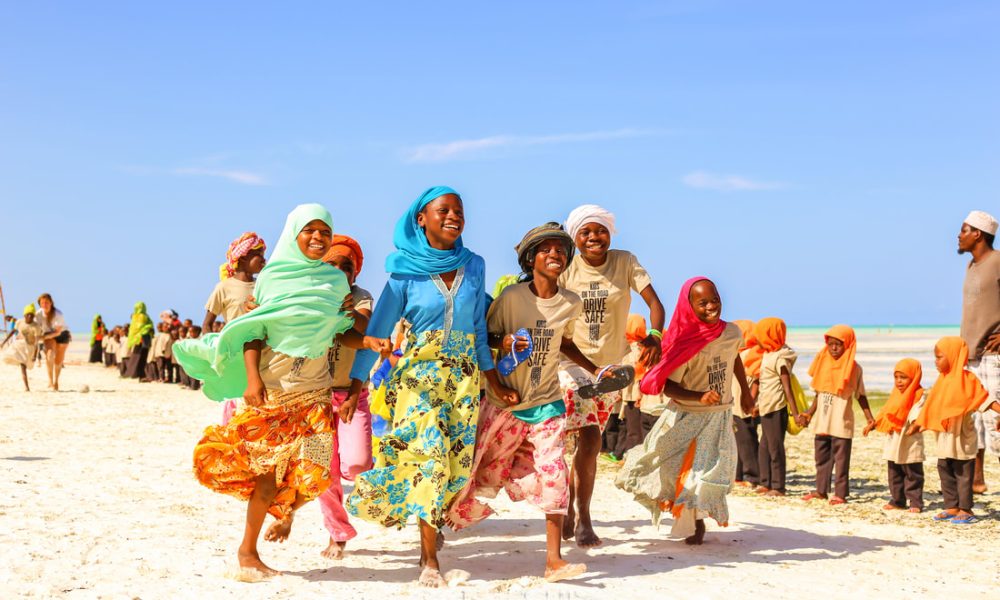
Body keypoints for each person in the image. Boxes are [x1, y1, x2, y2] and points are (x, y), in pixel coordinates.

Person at [174, 203, 389, 577]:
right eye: (310, 230)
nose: (318, 237)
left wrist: (367, 342)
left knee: (319, 475)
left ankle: (285, 513)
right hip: (274, 392)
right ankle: (248, 552)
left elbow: (339, 331)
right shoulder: (271, 278)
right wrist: (253, 381)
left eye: (325, 231)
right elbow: (255, 331)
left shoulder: (335, 282)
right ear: (293, 233)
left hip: (316, 394)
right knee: (266, 478)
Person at [345, 186, 518, 588]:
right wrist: (356, 383)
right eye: (444, 210)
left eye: (459, 210)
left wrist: (492, 379)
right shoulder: (404, 272)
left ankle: (432, 522)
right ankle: (428, 560)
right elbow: (377, 331)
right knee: (430, 456)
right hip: (418, 380)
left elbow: (476, 329)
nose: (454, 216)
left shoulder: (474, 265)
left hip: (463, 380)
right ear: (421, 218)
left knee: (455, 468)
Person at [447, 223, 592, 582]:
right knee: (477, 470)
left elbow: (564, 344)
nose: (555, 255)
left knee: (555, 473)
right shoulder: (511, 297)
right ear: (531, 258)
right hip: (504, 403)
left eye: (561, 250)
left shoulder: (571, 303)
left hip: (548, 404)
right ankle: (437, 524)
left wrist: (596, 369)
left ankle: (554, 560)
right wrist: (506, 340)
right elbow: (486, 336)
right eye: (546, 250)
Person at [558, 203, 665, 548]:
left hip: (613, 367)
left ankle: (575, 510)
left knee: (588, 443)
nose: (594, 237)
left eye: (600, 230)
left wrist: (656, 335)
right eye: (586, 232)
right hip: (570, 364)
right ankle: (581, 516)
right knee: (586, 439)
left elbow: (654, 303)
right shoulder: (565, 268)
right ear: (574, 237)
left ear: (610, 233)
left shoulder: (625, 261)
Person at [619, 277, 752, 545]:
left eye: (715, 300)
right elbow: (669, 388)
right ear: (689, 306)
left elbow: (734, 356)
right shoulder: (683, 341)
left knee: (712, 470)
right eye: (702, 303)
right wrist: (699, 396)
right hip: (687, 415)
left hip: (720, 414)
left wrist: (746, 393)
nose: (711, 306)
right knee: (682, 470)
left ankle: (695, 517)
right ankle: (693, 521)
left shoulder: (732, 333)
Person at [315, 234, 377, 561]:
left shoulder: (361, 297)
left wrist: (344, 308)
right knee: (325, 472)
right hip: (314, 398)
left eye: (346, 267)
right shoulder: (310, 295)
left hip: (353, 395)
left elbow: (365, 327)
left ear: (355, 274)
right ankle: (337, 533)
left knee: (357, 463)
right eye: (332, 265)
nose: (339, 271)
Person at [909, 337, 1000, 524]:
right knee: (945, 470)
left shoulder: (968, 380)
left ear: (953, 356)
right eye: (935, 357)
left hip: (962, 437)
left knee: (963, 474)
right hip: (944, 438)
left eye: (939, 357)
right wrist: (918, 424)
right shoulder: (941, 381)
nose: (936, 362)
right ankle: (951, 506)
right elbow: (930, 407)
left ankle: (965, 509)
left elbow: (985, 399)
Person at [801, 325, 875, 505]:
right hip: (822, 421)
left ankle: (840, 494)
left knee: (841, 461)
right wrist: (810, 413)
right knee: (821, 458)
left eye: (838, 345)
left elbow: (861, 395)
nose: (833, 348)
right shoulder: (822, 362)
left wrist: (869, 418)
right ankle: (821, 490)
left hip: (841, 422)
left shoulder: (854, 369)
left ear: (848, 345)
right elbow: (819, 393)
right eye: (830, 344)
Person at [957, 210, 1000, 493]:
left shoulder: (998, 262)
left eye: (963, 230)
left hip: (993, 356)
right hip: (971, 356)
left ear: (979, 234)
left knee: (996, 420)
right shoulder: (971, 265)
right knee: (974, 422)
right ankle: (977, 480)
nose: (958, 235)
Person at [863, 358, 926, 512]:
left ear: (914, 377)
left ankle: (915, 502)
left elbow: (919, 414)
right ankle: (897, 500)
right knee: (894, 472)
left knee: (912, 472)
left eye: (903, 377)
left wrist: (915, 424)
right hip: (894, 438)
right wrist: (874, 423)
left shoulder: (919, 394)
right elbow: (886, 411)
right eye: (896, 377)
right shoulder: (895, 394)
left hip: (909, 439)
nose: (899, 381)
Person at [753, 317, 799, 496]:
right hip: (765, 406)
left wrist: (795, 413)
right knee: (764, 446)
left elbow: (787, 388)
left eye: (761, 335)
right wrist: (757, 404)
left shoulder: (781, 357)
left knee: (775, 447)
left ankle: (778, 486)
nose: (757, 339)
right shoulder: (769, 354)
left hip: (776, 407)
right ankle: (766, 482)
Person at [732, 319, 762, 488]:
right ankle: (738, 474)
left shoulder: (754, 352)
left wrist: (750, 399)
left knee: (747, 440)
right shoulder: (738, 351)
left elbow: (757, 378)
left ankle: (752, 476)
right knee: (736, 439)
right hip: (734, 402)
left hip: (745, 403)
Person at [2, 304, 43, 391]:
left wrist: (35, 355)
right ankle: (26, 387)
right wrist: (3, 343)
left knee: (24, 366)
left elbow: (36, 343)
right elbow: (12, 332)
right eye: (28, 314)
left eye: (31, 315)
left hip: (29, 348)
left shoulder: (36, 326)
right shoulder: (19, 322)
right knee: (22, 366)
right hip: (19, 346)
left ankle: (26, 386)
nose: (29, 316)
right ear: (24, 315)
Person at [36, 293, 70, 391]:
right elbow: (35, 327)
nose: (45, 305)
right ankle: (50, 381)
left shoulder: (58, 314)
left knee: (58, 361)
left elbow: (57, 332)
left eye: (47, 302)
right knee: (49, 355)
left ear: (51, 303)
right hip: (48, 335)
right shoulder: (38, 314)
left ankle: (56, 381)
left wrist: (42, 337)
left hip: (62, 334)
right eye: (42, 303)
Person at [123, 302, 154, 379]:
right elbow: (141, 327)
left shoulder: (134, 316)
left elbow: (134, 329)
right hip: (143, 338)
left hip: (136, 338)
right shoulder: (143, 316)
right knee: (142, 356)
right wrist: (148, 328)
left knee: (136, 356)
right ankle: (137, 373)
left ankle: (133, 373)